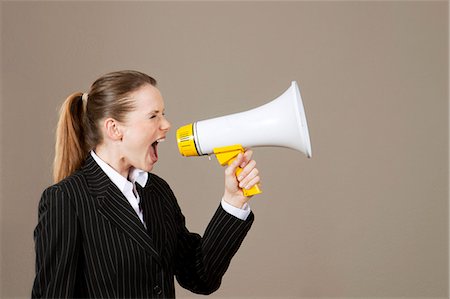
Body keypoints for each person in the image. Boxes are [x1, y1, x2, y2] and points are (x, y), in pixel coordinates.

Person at [32, 70, 260, 298]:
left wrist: (234, 201)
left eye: (163, 114)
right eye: (153, 116)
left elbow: (200, 276)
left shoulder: (157, 191)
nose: (167, 124)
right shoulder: (66, 199)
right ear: (114, 129)